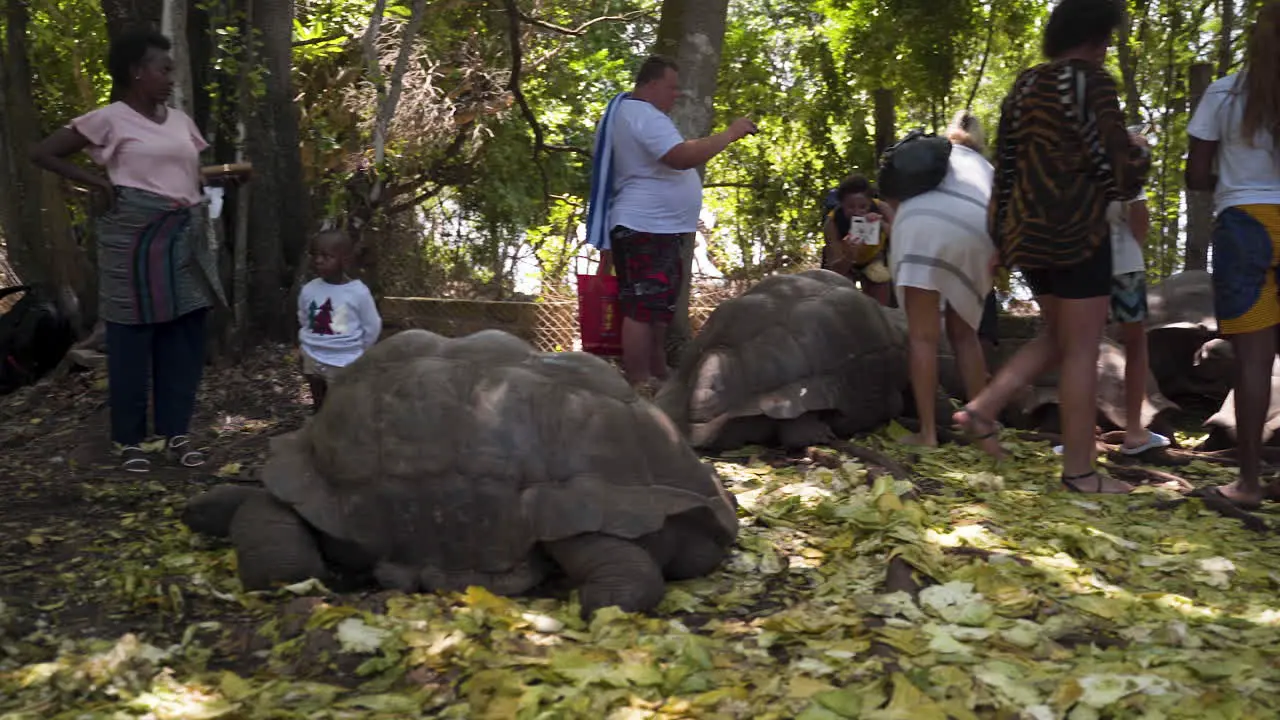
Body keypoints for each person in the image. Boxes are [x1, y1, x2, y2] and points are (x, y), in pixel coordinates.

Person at [951, 0, 1151, 493]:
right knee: (1082, 349)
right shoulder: (1093, 83)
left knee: (1059, 339)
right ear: (1098, 35)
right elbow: (1118, 176)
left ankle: (981, 409)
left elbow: (1009, 167)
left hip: (1029, 235)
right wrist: (1140, 155)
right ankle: (1081, 472)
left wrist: (1000, 238)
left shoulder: (1023, 85)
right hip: (1080, 233)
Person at [30, 30, 239, 472]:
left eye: (171, 70)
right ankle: (129, 441)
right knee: (131, 338)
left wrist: (220, 178)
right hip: (133, 238)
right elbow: (44, 152)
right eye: (162, 69)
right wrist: (99, 183)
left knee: (184, 336)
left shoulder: (181, 121)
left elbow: (188, 174)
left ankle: (176, 435)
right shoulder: (110, 118)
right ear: (135, 72)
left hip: (183, 237)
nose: (170, 78)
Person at [584, 56, 757, 394]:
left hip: (658, 228)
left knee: (658, 307)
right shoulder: (642, 114)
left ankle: (658, 373)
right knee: (641, 307)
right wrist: (731, 133)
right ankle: (638, 382)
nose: (676, 94)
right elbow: (680, 157)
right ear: (650, 84)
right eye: (671, 86)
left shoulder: (634, 113)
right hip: (644, 225)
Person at [1186, 1, 1280, 509]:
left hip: (1246, 225)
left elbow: (1196, 175)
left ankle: (1247, 482)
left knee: (1253, 361)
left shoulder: (1224, 93)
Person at [885, 110, 997, 447]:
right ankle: (982, 431)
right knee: (965, 335)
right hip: (974, 231)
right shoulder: (986, 168)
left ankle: (929, 433)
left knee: (923, 337)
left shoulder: (928, 157)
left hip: (917, 227)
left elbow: (893, 196)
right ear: (981, 142)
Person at [1052, 189, 1171, 457]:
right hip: (1124, 264)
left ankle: (1079, 436)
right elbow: (1139, 213)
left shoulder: (1066, 156)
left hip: (1080, 263)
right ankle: (1133, 432)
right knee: (1135, 341)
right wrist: (1131, 249)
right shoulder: (1121, 154)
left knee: (1081, 347)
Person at [297, 230, 382, 411]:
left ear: (344, 260)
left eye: (326, 256)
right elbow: (304, 317)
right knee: (319, 401)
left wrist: (357, 349)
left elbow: (372, 326)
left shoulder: (358, 292)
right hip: (313, 356)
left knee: (344, 404)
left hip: (345, 359)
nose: (318, 260)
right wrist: (308, 345)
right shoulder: (309, 289)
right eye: (315, 255)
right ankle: (319, 429)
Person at [821, 174, 895, 306]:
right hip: (844, 262)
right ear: (842, 205)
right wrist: (849, 256)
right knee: (841, 291)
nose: (857, 212)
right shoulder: (833, 223)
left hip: (873, 259)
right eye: (850, 207)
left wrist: (881, 223)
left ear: (870, 202)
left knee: (880, 279)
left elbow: (901, 237)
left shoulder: (882, 208)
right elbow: (836, 269)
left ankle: (879, 319)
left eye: (863, 207)